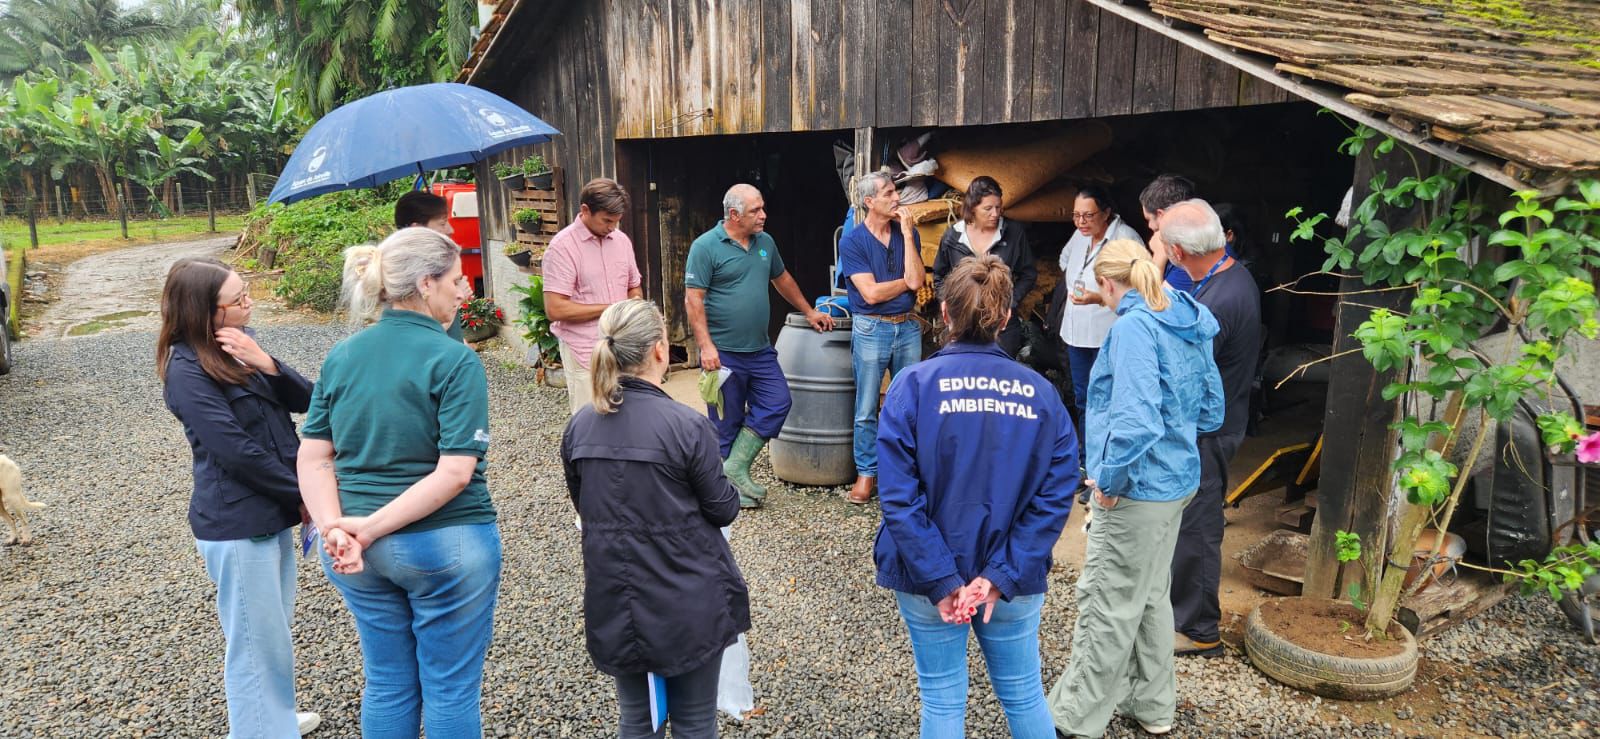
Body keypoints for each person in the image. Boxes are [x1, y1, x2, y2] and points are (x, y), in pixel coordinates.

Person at [299, 227, 500, 737]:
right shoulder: (455, 359)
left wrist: (335, 529)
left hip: (353, 554)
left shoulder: (342, 355)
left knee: (387, 682)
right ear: (428, 283)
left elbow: (314, 453)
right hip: (443, 543)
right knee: (451, 689)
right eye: (458, 280)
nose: (464, 291)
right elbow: (456, 473)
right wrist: (364, 530)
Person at [876, 254, 1079, 738]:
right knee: (1025, 695)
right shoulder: (1042, 395)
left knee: (943, 701)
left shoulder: (912, 386)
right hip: (1012, 576)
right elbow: (1055, 495)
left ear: (944, 312)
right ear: (1006, 317)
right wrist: (1000, 574)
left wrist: (943, 578)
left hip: (927, 578)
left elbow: (899, 500)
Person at [1046, 239, 1224, 738]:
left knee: (1107, 601)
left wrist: (1109, 481)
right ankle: (1152, 705)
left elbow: (1136, 423)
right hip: (1177, 482)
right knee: (1148, 596)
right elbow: (1213, 410)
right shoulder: (1187, 316)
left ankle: (1073, 718)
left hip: (1137, 490)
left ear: (1107, 282)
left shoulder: (1132, 328)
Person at [562, 299, 750, 738]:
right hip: (687, 598)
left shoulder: (580, 426)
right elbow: (723, 507)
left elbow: (584, 507)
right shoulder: (687, 426)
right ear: (660, 350)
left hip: (615, 595)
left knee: (637, 718)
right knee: (694, 721)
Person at [157, 257, 321, 737]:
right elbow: (236, 450)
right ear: (205, 311)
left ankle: (273, 718)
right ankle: (258, 729)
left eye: (247, 292)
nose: (249, 302)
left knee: (272, 632)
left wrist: (265, 361)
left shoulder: (234, 348)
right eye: (238, 298)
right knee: (254, 639)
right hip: (236, 522)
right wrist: (306, 493)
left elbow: (309, 398)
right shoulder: (186, 369)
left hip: (270, 513)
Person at [685, 183, 836, 508]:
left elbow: (781, 279)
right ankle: (723, 494)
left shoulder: (765, 243)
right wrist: (705, 346)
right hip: (723, 353)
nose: (764, 215)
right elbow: (693, 299)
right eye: (756, 210)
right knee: (724, 424)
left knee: (778, 402)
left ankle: (735, 467)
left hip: (760, 350)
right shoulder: (706, 246)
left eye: (762, 208)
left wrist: (809, 311)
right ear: (734, 214)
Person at [1160, 200, 1262, 658]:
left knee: (1199, 525)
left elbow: (1184, 370)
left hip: (1211, 429)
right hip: (1220, 420)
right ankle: (1185, 613)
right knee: (1193, 520)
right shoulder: (1231, 276)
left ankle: (1200, 628)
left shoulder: (1220, 299)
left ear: (1178, 253)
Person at [838, 172, 926, 505]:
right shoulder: (853, 241)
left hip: (906, 326)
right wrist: (906, 281)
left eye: (896, 191)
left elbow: (918, 280)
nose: (897, 198)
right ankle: (866, 474)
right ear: (869, 201)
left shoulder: (909, 233)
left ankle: (904, 472)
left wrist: (906, 232)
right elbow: (871, 293)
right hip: (871, 327)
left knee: (908, 404)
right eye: (889, 193)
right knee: (866, 406)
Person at [1054, 185, 1143, 463]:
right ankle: (1087, 462)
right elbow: (1064, 260)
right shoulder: (1080, 235)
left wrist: (1100, 298)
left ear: (1106, 213)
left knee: (1110, 402)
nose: (1081, 222)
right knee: (1084, 399)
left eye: (1088, 215)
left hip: (1109, 334)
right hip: (1076, 332)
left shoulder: (1125, 238)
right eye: (1076, 215)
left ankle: (1109, 463)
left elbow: (1141, 288)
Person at [542, 178, 644, 414]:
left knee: (628, 418)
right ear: (585, 210)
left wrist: (635, 300)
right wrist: (614, 307)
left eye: (617, 221)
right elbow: (555, 309)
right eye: (607, 220)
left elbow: (634, 286)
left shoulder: (621, 241)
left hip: (623, 348)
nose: (612, 227)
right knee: (590, 420)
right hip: (584, 350)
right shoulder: (562, 247)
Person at [931, 175, 1036, 357]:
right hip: (961, 325)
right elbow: (940, 276)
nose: (995, 214)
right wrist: (951, 305)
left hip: (1002, 326)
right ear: (972, 208)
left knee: (1000, 377)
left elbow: (1029, 274)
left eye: (998, 207)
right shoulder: (953, 236)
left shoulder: (1013, 233)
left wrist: (1009, 302)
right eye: (988, 208)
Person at [394, 190, 469, 342]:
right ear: (416, 229)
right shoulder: (405, 276)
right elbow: (420, 338)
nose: (450, 230)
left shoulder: (432, 265)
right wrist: (458, 297)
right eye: (442, 223)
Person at [1136, 173, 1195, 283]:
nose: (1150, 227)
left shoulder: (1188, 259)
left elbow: (1149, 298)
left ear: (1161, 215)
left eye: (1148, 219)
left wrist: (1159, 254)